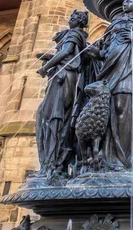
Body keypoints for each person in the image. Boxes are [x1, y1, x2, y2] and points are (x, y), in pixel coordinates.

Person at [91, 0, 133, 170]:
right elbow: (105, 48)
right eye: (124, 1)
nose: (125, 3)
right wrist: (96, 52)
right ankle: (105, 158)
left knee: (124, 109)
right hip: (111, 68)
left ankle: (122, 159)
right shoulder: (115, 23)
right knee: (108, 111)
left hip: (128, 68)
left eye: (129, 1)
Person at [36, 10, 89, 178]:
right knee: (57, 118)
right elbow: (70, 54)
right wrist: (51, 58)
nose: (69, 20)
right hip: (67, 76)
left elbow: (66, 52)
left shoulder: (74, 33)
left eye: (73, 18)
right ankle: (55, 163)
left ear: (79, 21)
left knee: (54, 117)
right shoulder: (78, 35)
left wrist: (45, 67)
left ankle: (52, 164)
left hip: (63, 77)